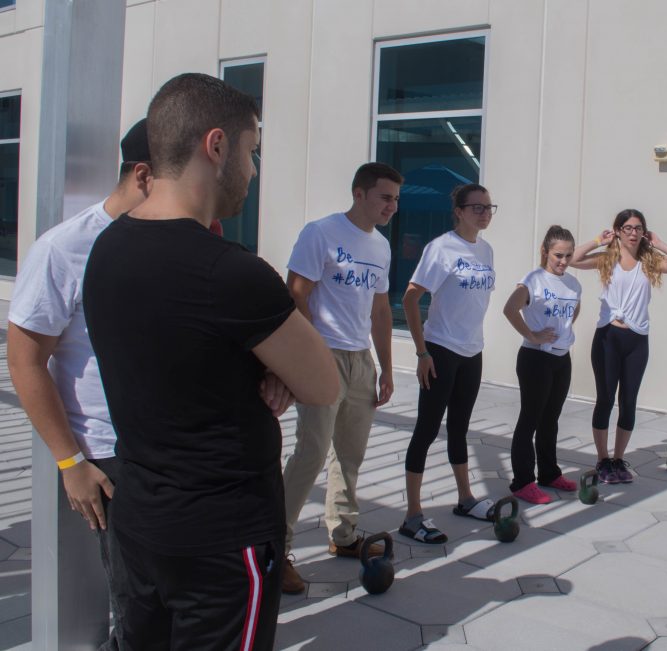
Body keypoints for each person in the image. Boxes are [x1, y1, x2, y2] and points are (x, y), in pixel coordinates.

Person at [82, 73, 339, 651]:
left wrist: (267, 365)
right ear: (216, 145)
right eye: (252, 152)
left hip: (140, 524)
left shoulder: (106, 249)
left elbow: (179, 354)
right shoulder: (231, 273)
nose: (252, 171)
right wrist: (280, 371)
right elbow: (323, 381)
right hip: (223, 541)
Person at [7, 118, 153, 651]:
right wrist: (70, 462)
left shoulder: (178, 243)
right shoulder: (65, 248)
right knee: (134, 604)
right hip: (111, 456)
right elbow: (25, 362)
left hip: (175, 450)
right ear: (144, 175)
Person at [279, 162, 402, 593]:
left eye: (396, 199)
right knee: (311, 453)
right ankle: (276, 548)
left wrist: (385, 367)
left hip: (360, 359)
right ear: (359, 194)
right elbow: (296, 295)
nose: (392, 206)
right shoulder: (321, 233)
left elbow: (381, 310)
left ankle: (344, 535)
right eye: (385, 197)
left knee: (350, 455)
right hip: (324, 355)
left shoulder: (382, 248)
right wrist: (307, 356)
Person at [399, 183, 497, 544]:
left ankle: (466, 499)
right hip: (440, 350)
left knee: (460, 428)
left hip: (473, 351)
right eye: (477, 208)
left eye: (489, 207)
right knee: (426, 430)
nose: (485, 213)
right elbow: (411, 299)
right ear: (458, 211)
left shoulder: (486, 250)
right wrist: (422, 352)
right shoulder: (440, 249)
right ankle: (412, 515)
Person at [570, 209, 667, 483]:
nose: (633, 232)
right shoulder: (606, 258)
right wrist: (597, 240)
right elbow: (574, 260)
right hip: (608, 338)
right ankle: (602, 460)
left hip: (637, 339)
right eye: (627, 228)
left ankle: (617, 459)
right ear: (618, 231)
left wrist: (658, 244)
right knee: (605, 399)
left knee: (628, 402)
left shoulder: (649, 262)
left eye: (638, 228)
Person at [502, 226, 582, 504]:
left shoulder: (573, 284)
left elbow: (574, 310)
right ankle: (522, 481)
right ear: (545, 252)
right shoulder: (533, 280)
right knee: (531, 419)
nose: (563, 261)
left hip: (562, 359)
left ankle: (549, 473)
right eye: (558, 255)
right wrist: (532, 335)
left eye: (568, 255)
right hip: (535, 359)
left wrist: (564, 333)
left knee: (551, 420)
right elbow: (510, 309)